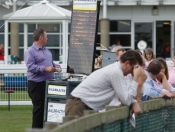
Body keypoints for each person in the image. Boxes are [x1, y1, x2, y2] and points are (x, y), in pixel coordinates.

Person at [65, 50, 146, 117]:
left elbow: (124, 95)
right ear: (127, 63)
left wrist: (134, 102)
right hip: (78, 104)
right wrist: (136, 78)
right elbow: (126, 100)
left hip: (84, 105)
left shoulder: (117, 71)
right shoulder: (116, 72)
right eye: (133, 69)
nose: (132, 72)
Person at [24, 28, 61, 128]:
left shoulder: (47, 51)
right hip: (36, 85)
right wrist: (45, 69)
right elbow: (30, 67)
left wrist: (56, 66)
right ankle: (36, 130)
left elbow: (51, 63)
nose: (47, 38)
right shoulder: (30, 52)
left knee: (48, 109)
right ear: (41, 38)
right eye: (46, 36)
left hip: (48, 83)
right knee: (39, 109)